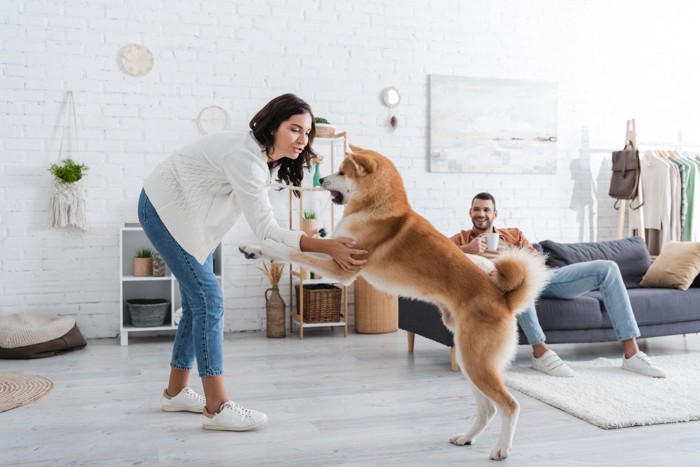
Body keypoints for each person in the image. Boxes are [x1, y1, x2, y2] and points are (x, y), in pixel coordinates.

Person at [138, 93, 368, 432]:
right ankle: (216, 408)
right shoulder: (246, 159)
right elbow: (268, 231)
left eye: (307, 133)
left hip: (184, 216)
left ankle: (175, 393)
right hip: (164, 210)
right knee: (208, 300)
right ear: (273, 126)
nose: (302, 140)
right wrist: (325, 246)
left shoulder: (261, 159)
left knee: (196, 303)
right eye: (294, 129)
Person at [449, 192, 666, 378]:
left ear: (494, 214)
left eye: (486, 210)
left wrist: (528, 265)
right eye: (476, 209)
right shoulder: (459, 240)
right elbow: (442, 261)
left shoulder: (513, 234)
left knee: (607, 268)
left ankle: (632, 353)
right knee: (517, 280)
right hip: (506, 285)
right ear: (470, 212)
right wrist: (468, 249)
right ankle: (540, 353)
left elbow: (537, 259)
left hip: (543, 277)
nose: (481, 214)